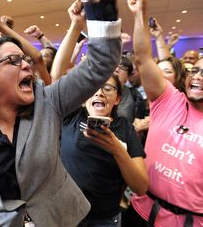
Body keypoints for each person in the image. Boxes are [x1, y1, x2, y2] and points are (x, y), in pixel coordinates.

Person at [0, 0, 121, 226]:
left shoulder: (49, 101)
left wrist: (98, 6)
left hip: (62, 220)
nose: (26, 65)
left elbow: (101, 62)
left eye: (24, 59)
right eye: (13, 61)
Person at [125, 0, 203, 226]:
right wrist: (140, 13)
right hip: (143, 214)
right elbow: (143, 58)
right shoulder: (169, 101)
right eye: (196, 70)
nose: (198, 76)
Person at [61, 76, 148, 227]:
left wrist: (117, 149)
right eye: (93, 87)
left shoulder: (125, 129)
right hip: (63, 213)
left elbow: (140, 187)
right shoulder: (72, 116)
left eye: (107, 88)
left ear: (117, 99)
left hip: (103, 219)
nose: (99, 92)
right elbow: (56, 77)